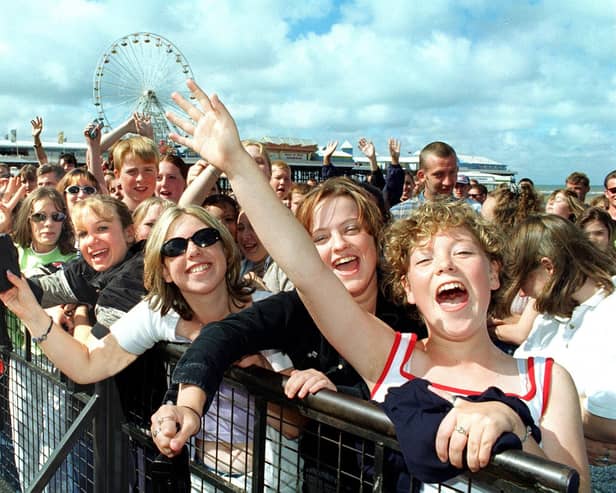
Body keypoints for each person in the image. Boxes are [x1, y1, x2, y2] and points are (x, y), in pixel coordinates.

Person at [151, 80, 589, 491]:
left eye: (462, 253)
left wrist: (514, 428)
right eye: (425, 260)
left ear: (493, 273)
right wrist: (237, 164)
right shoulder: (389, 357)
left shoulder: (549, 382)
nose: (444, 268)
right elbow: (307, 273)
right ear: (407, 285)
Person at [159, 175, 425, 491]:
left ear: (376, 237)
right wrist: (188, 405)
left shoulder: (414, 308)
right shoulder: (297, 307)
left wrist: (336, 396)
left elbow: (441, 389)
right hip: (327, 479)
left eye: (352, 229)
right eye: (321, 237)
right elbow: (222, 334)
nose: (340, 245)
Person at [0, 203, 288, 490]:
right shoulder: (159, 313)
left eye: (205, 238)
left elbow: (295, 426)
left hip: (273, 478)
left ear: (225, 248)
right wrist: (29, 313)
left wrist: (267, 382)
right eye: (175, 247)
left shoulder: (269, 309)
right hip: (201, 476)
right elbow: (87, 364)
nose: (193, 251)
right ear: (163, 270)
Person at [507, 214, 616, 491]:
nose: (521, 291)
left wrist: (547, 410)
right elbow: (515, 382)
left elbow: (608, 420)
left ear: (548, 268)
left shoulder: (609, 313)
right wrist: (573, 425)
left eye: (523, 278)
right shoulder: (551, 316)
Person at [389, 141, 458, 219]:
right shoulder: (400, 214)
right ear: (422, 176)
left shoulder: (468, 214)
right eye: (439, 174)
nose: (447, 182)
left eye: (452, 173)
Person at [112, 135, 159, 211]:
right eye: (132, 171)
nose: (140, 178)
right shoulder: (110, 217)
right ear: (117, 175)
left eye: (148, 170)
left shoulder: (168, 217)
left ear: (157, 172)